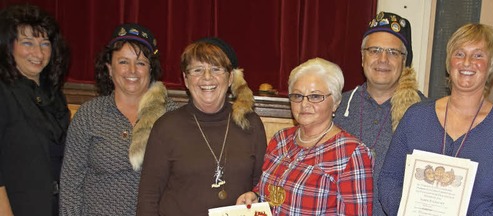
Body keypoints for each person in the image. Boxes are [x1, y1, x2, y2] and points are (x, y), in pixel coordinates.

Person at [378, 23, 493, 215]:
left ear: (491, 65)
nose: (467, 62)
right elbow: (389, 178)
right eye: (459, 53)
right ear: (449, 62)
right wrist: (405, 211)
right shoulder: (416, 117)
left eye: (478, 55)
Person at [136, 37, 266, 215]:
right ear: (186, 80)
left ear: (230, 78)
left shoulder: (251, 124)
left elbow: (262, 185)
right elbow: (148, 198)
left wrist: (256, 196)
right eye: (197, 70)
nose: (207, 77)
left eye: (216, 69)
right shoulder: (166, 127)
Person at [58, 23, 179, 215]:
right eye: (123, 62)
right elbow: (70, 184)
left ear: (150, 69)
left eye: (141, 63)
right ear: (109, 68)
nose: (132, 70)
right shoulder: (89, 115)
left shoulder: (172, 115)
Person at [236, 58, 374, 215]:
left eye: (315, 96)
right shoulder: (280, 139)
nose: (304, 104)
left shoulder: (351, 153)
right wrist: (255, 197)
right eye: (297, 96)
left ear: (335, 102)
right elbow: (268, 194)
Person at [332, 11, 429, 215]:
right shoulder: (336, 106)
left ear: (405, 62)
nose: (383, 59)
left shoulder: (426, 113)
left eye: (393, 52)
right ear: (362, 57)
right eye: (374, 50)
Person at [0, 4, 70, 216]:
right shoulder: (3, 92)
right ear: (8, 46)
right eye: (27, 43)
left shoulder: (54, 95)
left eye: (45, 43)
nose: (38, 53)